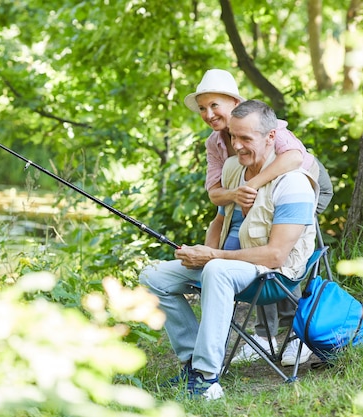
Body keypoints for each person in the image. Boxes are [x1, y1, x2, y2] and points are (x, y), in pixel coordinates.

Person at [139, 100, 318, 399]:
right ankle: (192, 365)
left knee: (217, 270)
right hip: (228, 264)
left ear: (271, 137)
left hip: (274, 277)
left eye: (246, 139)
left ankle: (208, 380)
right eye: (234, 137)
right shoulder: (235, 168)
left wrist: (213, 257)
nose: (237, 145)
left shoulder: (294, 184)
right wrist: (203, 251)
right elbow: (220, 218)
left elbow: (276, 256)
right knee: (153, 275)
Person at [183, 69, 333, 365]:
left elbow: (292, 159)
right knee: (254, 239)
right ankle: (263, 336)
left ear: (234, 102)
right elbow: (215, 193)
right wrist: (237, 194)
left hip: (304, 184)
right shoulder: (215, 143)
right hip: (257, 193)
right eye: (203, 108)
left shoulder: (261, 122)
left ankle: (295, 336)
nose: (209, 113)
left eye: (215, 105)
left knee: (282, 248)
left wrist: (250, 185)